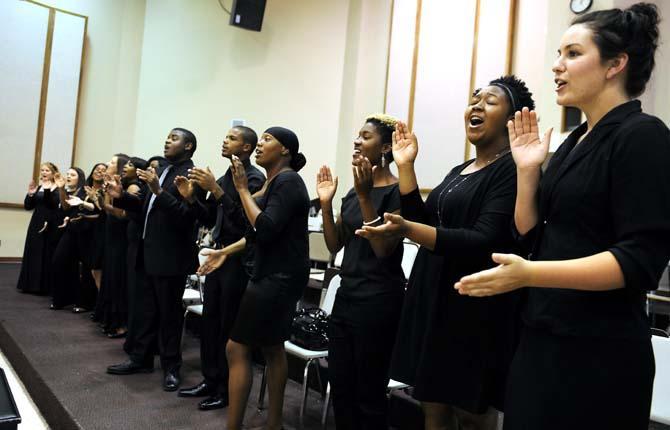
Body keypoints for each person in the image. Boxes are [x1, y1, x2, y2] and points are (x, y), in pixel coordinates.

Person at [454, 5, 670, 430]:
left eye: (572, 53)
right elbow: (527, 233)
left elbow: (638, 261)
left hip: (599, 353)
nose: (557, 66)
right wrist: (528, 172)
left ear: (615, 64)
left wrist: (530, 275)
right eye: (558, 53)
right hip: (542, 337)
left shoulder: (643, 136)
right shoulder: (574, 143)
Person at [358, 76, 536, 430]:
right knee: (432, 405)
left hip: (474, 305)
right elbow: (422, 220)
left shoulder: (510, 169)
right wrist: (406, 166)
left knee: (471, 413)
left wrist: (410, 229)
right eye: (474, 98)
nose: (476, 105)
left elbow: (484, 239)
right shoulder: (460, 170)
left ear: (512, 117)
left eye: (490, 101)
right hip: (434, 297)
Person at [200, 127, 309, 430]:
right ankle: (273, 424)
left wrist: (243, 190)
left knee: (236, 348)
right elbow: (248, 228)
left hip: (279, 275)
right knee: (273, 348)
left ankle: (234, 427)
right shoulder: (275, 182)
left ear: (285, 150)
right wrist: (225, 252)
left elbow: (266, 228)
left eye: (267, 141)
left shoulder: (287, 181)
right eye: (259, 141)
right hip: (275, 272)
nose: (259, 146)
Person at [316, 114, 405, 429]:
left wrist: (367, 196)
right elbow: (334, 244)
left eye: (365, 137)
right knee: (341, 386)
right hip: (348, 296)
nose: (356, 141)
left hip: (378, 301)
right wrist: (327, 204)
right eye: (357, 135)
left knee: (368, 395)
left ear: (384, 147)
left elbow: (382, 250)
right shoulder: (354, 191)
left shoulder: (397, 192)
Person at [106, 128, 205, 393]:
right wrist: (122, 196)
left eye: (174, 138)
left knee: (169, 316)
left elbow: (187, 217)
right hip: (146, 253)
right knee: (144, 311)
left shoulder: (190, 176)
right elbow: (145, 209)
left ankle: (171, 368)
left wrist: (160, 191)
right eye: (167, 137)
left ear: (188, 146)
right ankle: (141, 359)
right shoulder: (161, 170)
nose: (167, 141)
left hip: (170, 257)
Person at [176, 126, 265, 411]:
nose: (224, 141)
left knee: (227, 325)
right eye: (224, 136)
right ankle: (210, 379)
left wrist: (215, 189)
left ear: (247, 148)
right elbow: (208, 219)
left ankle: (227, 389)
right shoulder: (226, 176)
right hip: (217, 255)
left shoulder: (252, 178)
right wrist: (192, 197)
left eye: (232, 138)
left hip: (237, 258)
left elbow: (245, 224)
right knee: (210, 321)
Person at [96, 154, 134, 337]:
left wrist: (108, 197)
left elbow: (120, 214)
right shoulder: (113, 183)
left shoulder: (125, 186)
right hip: (110, 234)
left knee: (118, 279)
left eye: (112, 162)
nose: (108, 164)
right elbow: (106, 208)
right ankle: (108, 318)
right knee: (109, 278)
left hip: (121, 237)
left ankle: (121, 323)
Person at [17, 162, 60, 295]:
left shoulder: (57, 188)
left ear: (53, 173)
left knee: (45, 252)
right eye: (42, 170)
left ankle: (42, 287)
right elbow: (28, 207)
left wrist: (47, 190)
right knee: (33, 251)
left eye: (47, 170)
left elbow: (52, 204)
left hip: (50, 222)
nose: (44, 173)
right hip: (36, 221)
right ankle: (29, 284)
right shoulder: (39, 187)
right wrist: (30, 194)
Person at [50, 167, 88, 310]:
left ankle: (81, 301)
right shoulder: (67, 191)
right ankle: (60, 299)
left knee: (84, 269)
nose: (69, 176)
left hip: (84, 233)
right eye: (67, 174)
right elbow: (65, 207)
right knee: (58, 261)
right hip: (71, 231)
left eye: (73, 174)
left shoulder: (85, 191)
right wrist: (61, 188)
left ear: (80, 178)